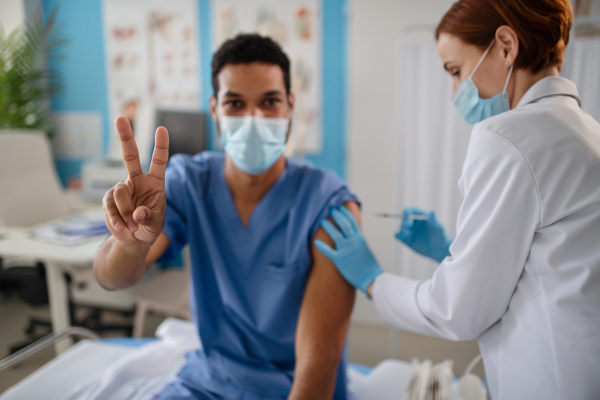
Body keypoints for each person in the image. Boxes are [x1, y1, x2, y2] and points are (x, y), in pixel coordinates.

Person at [315, 0, 600, 399]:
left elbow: (458, 312)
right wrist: (449, 250)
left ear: (505, 46)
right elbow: (550, 269)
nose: (455, 92)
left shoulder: (507, 136)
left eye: (456, 71)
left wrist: (373, 280)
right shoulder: (586, 131)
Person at [94, 34, 360, 400]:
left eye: (270, 101)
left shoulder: (329, 204)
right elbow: (111, 279)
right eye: (235, 103)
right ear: (215, 109)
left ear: (290, 107)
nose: (254, 119)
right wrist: (126, 243)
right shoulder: (189, 183)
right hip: (209, 381)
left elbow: (319, 364)